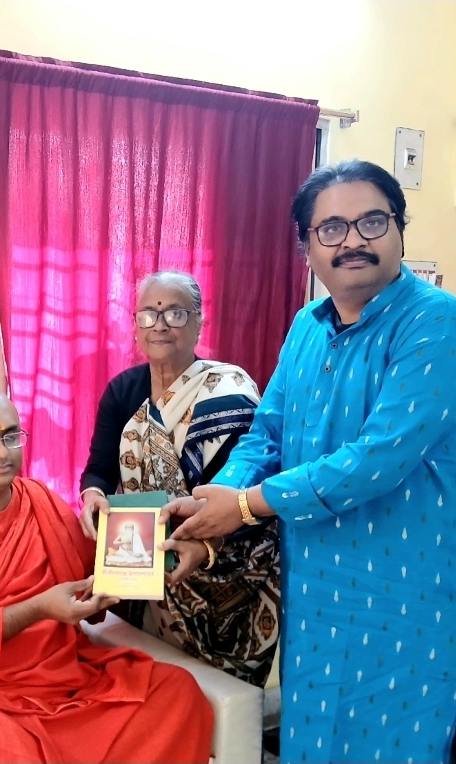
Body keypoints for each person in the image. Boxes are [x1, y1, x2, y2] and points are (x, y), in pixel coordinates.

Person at [165, 159, 456, 764]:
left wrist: (242, 506)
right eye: (332, 228)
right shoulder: (306, 327)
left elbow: (376, 460)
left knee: (400, 745)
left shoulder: (438, 323)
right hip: (318, 592)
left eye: (372, 221)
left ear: (399, 229)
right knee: (315, 739)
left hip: (412, 598)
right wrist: (208, 515)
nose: (353, 241)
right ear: (307, 248)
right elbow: (267, 434)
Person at [0, 384, 214, 764]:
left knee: (175, 691)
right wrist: (38, 609)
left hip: (62, 680)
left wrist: (154, 555)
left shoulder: (41, 501)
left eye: (11, 436)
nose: (2, 451)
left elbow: (91, 573)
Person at [79, 270, 277, 686]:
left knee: (222, 697)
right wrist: (93, 494)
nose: (160, 324)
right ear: (135, 324)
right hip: (151, 563)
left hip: (230, 567)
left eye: (175, 312)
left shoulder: (227, 391)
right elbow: (99, 467)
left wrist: (205, 546)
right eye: (149, 314)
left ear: (199, 321)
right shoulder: (122, 391)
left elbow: (244, 487)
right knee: (155, 684)